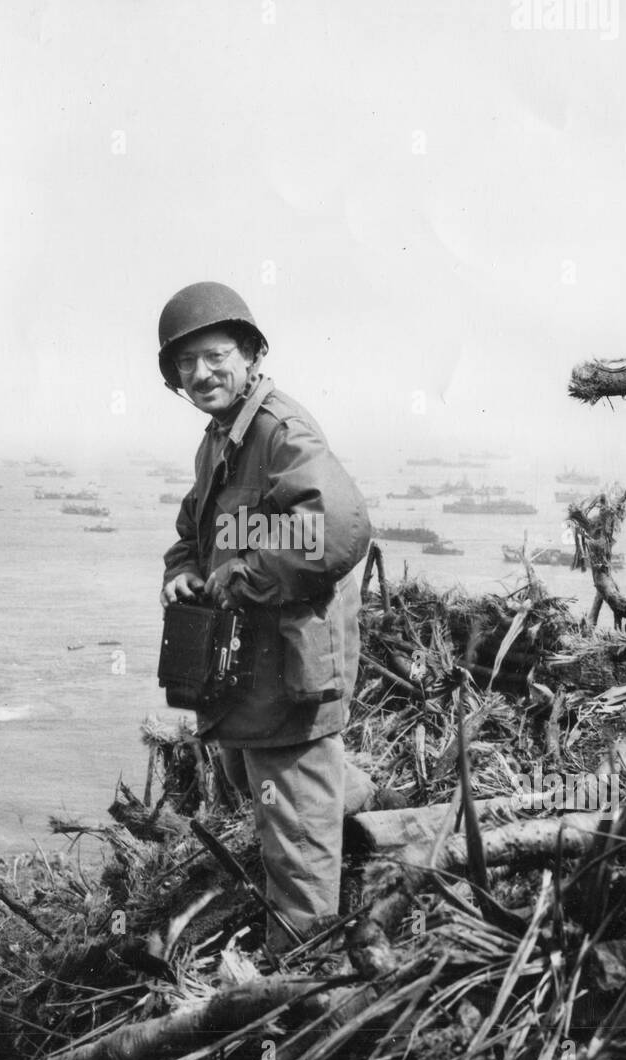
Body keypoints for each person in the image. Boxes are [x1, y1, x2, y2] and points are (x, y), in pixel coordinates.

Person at [157, 281, 391, 954]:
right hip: (248, 675)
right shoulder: (223, 439)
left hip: (289, 671)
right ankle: (351, 805)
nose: (201, 373)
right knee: (246, 778)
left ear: (252, 354)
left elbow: (339, 527)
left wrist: (240, 577)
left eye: (216, 354)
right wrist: (184, 573)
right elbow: (192, 531)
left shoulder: (278, 431)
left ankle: (301, 967)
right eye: (186, 363)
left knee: (291, 829)